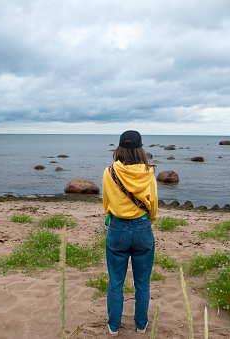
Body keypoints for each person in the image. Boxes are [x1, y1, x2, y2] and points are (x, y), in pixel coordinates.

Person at [102, 130, 158, 335]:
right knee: (142, 283)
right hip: (142, 228)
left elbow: (106, 203)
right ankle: (141, 325)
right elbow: (154, 206)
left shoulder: (109, 172)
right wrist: (147, 222)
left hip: (118, 228)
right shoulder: (149, 173)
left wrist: (116, 215)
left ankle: (114, 327)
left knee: (116, 281)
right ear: (140, 149)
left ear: (119, 148)